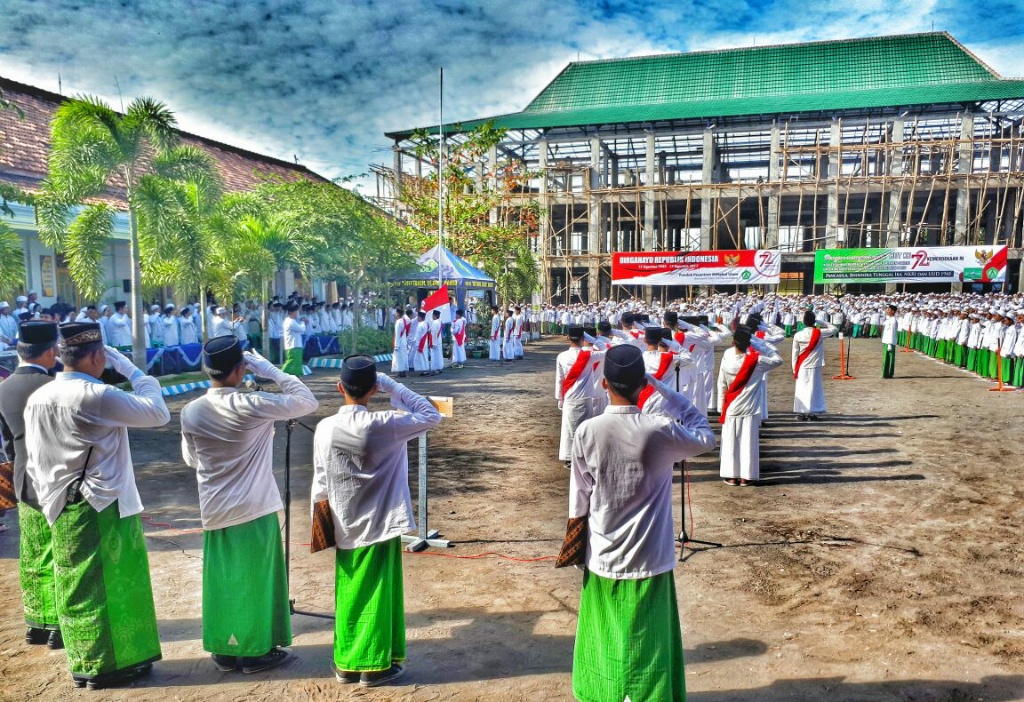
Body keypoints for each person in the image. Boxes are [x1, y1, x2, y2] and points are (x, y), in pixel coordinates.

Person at [24, 323, 170, 689]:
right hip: (100, 503)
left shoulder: (40, 396)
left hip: (60, 503)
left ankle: (86, 661)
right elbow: (158, 413)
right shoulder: (95, 394)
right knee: (112, 587)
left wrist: (50, 499)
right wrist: (134, 370)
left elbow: (36, 458)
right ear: (97, 356)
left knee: (77, 584)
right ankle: (108, 666)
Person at [569, 344, 715, 702]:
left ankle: (605, 693)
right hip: (651, 555)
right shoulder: (658, 429)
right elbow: (704, 433)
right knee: (650, 642)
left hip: (603, 552)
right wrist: (664, 389)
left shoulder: (587, 431)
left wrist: (575, 547)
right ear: (642, 384)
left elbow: (579, 500)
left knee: (604, 638)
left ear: (604, 384)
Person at [181, 338, 318, 673]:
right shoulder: (251, 403)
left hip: (214, 508)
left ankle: (224, 649)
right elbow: (306, 401)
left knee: (222, 580)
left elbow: (191, 459)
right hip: (253, 507)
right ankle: (255, 651)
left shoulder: (191, 410)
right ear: (241, 369)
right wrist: (269, 369)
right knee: (257, 580)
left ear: (206, 369)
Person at [311, 357, 441, 687]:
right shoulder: (386, 423)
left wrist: (322, 526)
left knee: (350, 593)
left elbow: (321, 481)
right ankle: (373, 667)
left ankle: (346, 663)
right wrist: (394, 385)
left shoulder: (326, 427)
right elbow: (431, 414)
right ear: (373, 390)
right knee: (379, 595)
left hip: (344, 523)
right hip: (381, 523)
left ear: (339, 388)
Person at [0, 321, 63, 650]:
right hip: (58, 479)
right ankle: (58, 626)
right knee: (62, 553)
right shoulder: (54, 384)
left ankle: (36, 624)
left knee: (34, 553)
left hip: (25, 478)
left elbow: (9, 443)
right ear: (51, 350)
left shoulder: (4, 388)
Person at [717, 328, 784, 486]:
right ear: (749, 344)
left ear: (733, 343)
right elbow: (778, 359)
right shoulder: (758, 361)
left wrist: (722, 406)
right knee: (748, 443)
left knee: (731, 442)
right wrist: (760, 345)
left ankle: (732, 476)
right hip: (750, 407)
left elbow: (722, 383)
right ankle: (746, 476)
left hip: (732, 405)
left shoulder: (727, 359)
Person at [555, 326, 605, 468]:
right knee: (586, 430)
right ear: (583, 339)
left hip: (570, 397)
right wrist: (594, 340)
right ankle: (585, 457)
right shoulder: (589, 356)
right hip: (587, 397)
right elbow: (608, 351)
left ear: (567, 338)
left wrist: (560, 398)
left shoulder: (562, 356)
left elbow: (560, 380)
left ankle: (569, 458)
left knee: (569, 429)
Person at [792, 310, 836, 421]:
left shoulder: (798, 335)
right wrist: (821, 322)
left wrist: (794, 368)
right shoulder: (819, 333)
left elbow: (794, 353)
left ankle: (801, 412)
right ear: (814, 321)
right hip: (815, 364)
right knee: (813, 389)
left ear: (803, 322)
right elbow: (834, 329)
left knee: (801, 389)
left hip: (801, 365)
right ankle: (811, 412)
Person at [281, 302, 306, 377]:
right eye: (297, 311)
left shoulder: (293, 321)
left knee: (297, 362)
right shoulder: (290, 321)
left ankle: (296, 375)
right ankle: (280, 374)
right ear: (292, 312)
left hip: (296, 344)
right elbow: (302, 329)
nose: (298, 313)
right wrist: (303, 322)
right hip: (292, 345)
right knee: (291, 362)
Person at [391, 307, 412, 377]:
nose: (395, 314)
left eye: (396, 312)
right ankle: (402, 372)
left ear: (398, 313)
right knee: (403, 357)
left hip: (399, 343)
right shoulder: (404, 320)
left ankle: (401, 372)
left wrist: (396, 345)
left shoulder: (398, 322)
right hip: (403, 342)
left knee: (399, 358)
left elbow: (397, 334)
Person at [412, 310, 433, 376]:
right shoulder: (426, 323)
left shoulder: (420, 325)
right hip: (425, 342)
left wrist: (416, 344)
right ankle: (425, 369)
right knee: (424, 356)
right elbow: (429, 331)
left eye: (418, 317)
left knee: (420, 357)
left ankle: (424, 370)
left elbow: (418, 336)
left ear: (420, 317)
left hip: (420, 343)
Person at [881, 304, 899, 379]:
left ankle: (888, 373)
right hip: (886, 341)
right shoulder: (889, 319)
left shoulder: (893, 321)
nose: (887, 311)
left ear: (893, 311)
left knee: (889, 358)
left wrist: (889, 343)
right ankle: (885, 373)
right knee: (885, 358)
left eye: (888, 310)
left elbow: (892, 332)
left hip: (890, 342)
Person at [430, 310, 444, 374]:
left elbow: (434, 333)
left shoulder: (435, 323)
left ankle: (436, 368)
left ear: (434, 315)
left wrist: (433, 343)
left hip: (435, 341)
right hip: (438, 340)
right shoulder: (440, 321)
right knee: (439, 355)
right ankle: (439, 367)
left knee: (435, 356)